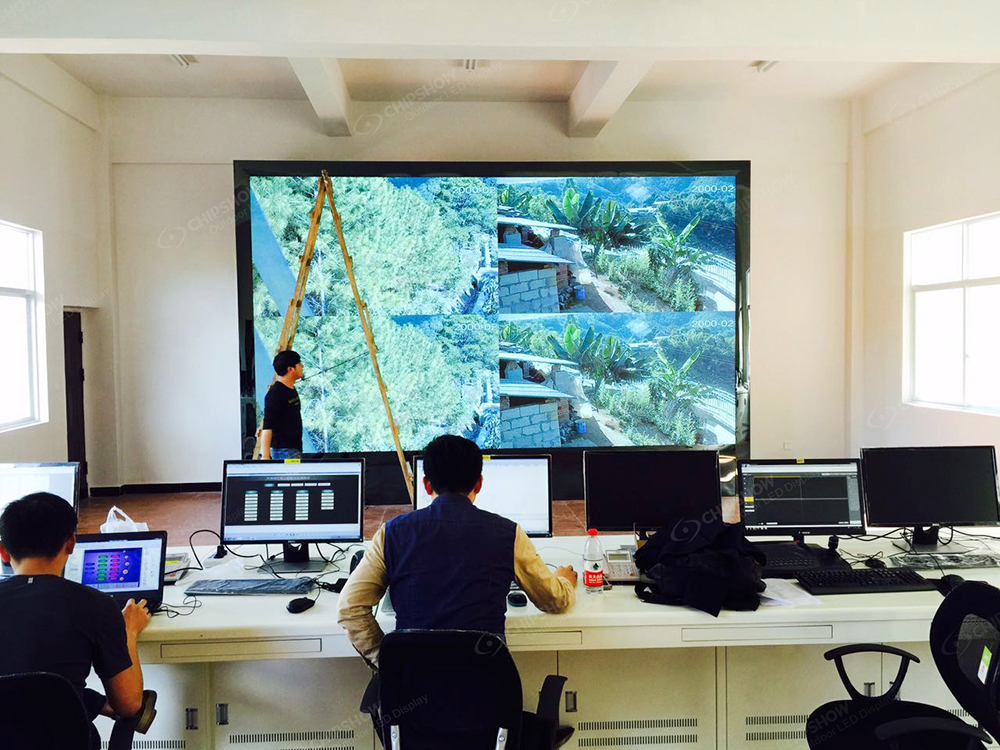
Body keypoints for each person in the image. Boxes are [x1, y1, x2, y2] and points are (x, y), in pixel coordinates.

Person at [337, 434, 577, 746]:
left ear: (426, 485)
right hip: (488, 717)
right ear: (479, 483)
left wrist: (390, 660)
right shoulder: (509, 534)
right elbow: (554, 600)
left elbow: (350, 609)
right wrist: (564, 581)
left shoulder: (391, 534)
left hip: (413, 720)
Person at [0, 493, 152, 749]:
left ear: (3, 551)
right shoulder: (96, 604)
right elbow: (129, 705)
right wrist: (128, 631)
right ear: (71, 543)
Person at [261, 349, 304, 460]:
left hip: (294, 449)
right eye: (299, 364)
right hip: (284, 451)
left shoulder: (291, 388)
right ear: (290, 369)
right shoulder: (275, 394)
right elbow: (267, 426)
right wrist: (265, 456)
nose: (302, 366)